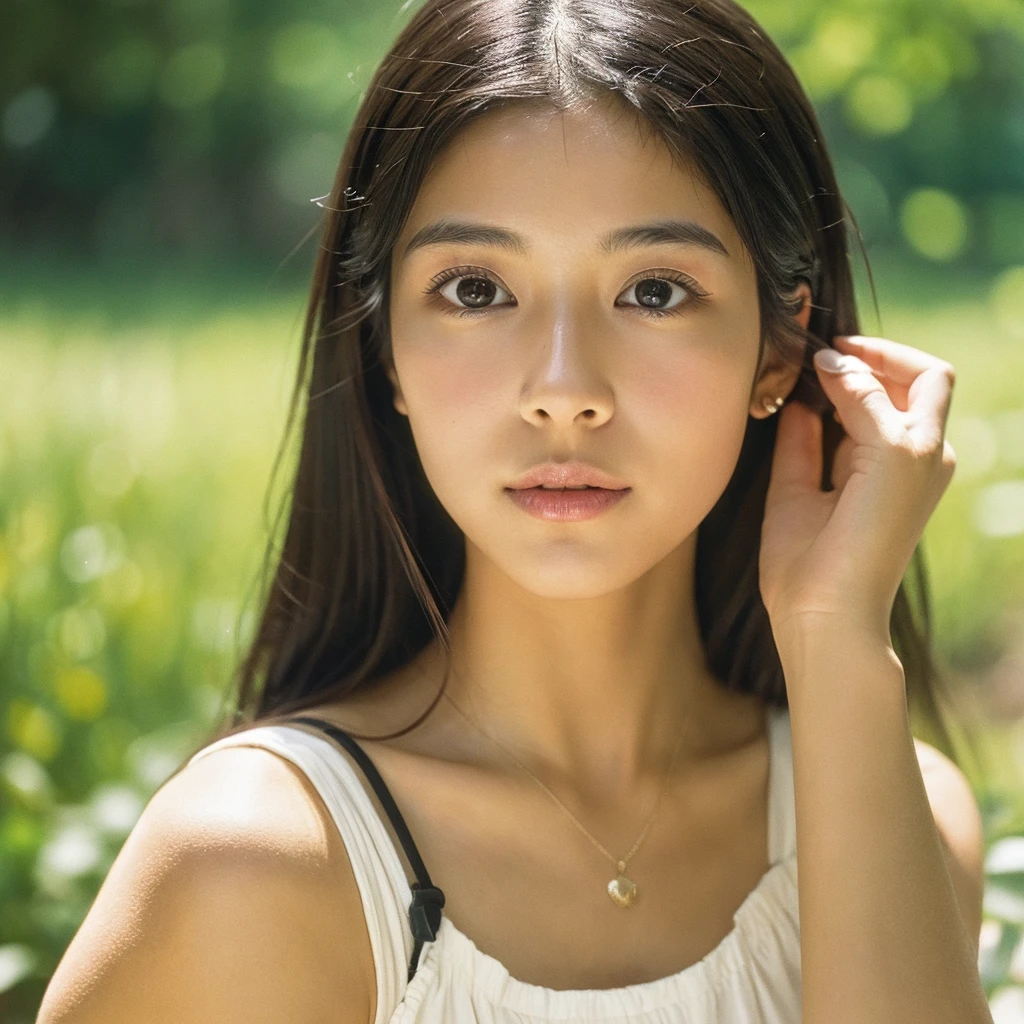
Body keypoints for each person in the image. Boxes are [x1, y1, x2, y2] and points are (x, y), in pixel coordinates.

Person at [37, 0, 991, 1022]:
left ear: (775, 348)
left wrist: (837, 637)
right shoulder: (257, 863)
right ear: (385, 351)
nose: (563, 386)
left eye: (656, 290)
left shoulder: (902, 813)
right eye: (478, 289)